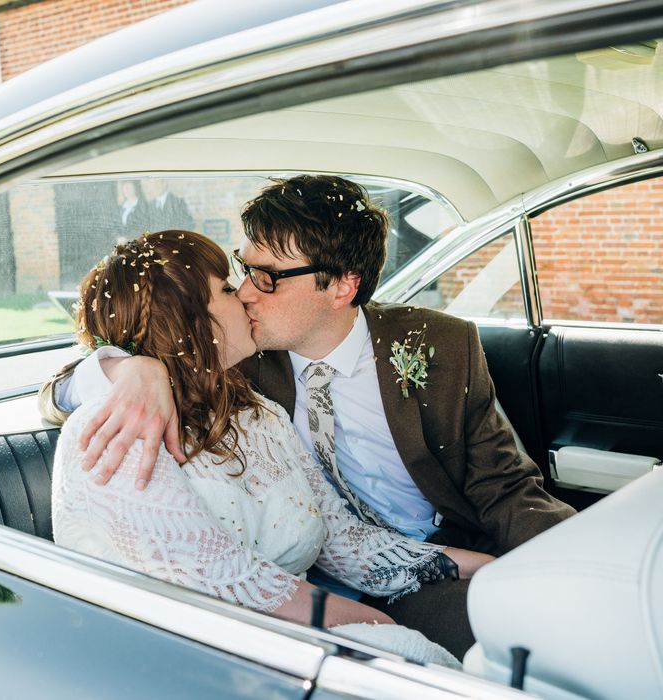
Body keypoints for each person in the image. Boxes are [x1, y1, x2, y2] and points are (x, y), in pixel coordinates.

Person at [41, 175, 574, 658]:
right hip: (274, 611)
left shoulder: (440, 344)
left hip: (432, 546)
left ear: (342, 285)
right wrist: (129, 369)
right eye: (240, 273)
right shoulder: (231, 362)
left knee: (554, 626)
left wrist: (575, 562)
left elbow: (505, 486)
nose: (247, 291)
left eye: (266, 277)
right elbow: (58, 392)